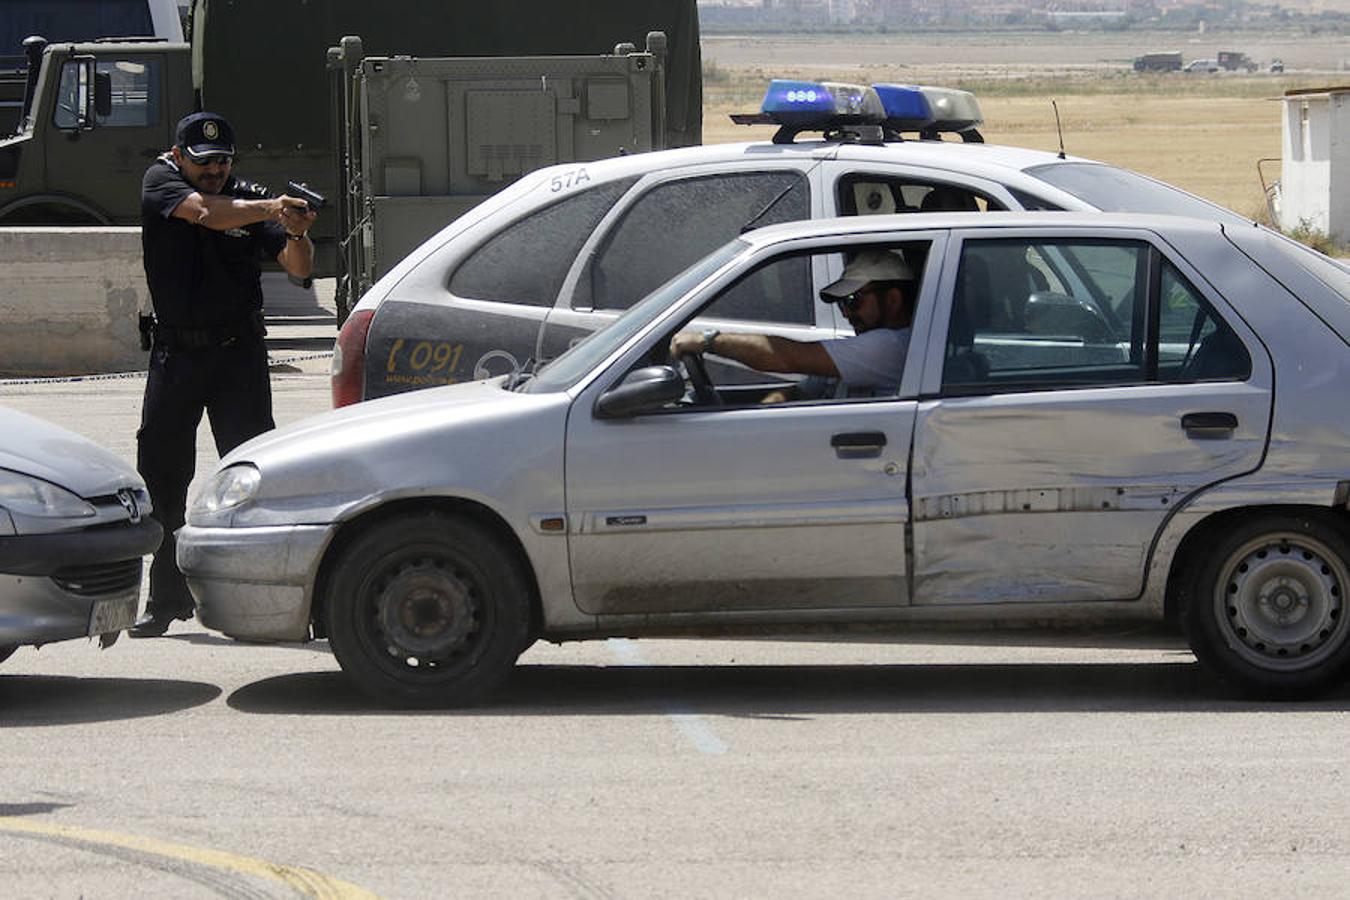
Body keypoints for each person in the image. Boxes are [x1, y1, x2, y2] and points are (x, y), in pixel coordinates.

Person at [130, 112, 317, 638]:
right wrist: (270, 207)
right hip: (177, 355)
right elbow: (204, 214)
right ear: (179, 154)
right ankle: (166, 598)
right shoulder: (161, 180)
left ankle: (266, 601)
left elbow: (298, 266)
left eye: (222, 161)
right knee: (164, 481)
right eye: (203, 160)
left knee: (255, 477)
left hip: (237, 356)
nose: (214, 170)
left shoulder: (248, 196)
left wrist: (297, 232)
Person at [669, 249, 917, 400]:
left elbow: (786, 358)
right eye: (841, 303)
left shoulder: (893, 347)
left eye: (853, 301)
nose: (846, 314)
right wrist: (774, 404)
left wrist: (708, 341)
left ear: (893, 300)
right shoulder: (858, 353)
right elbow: (801, 391)